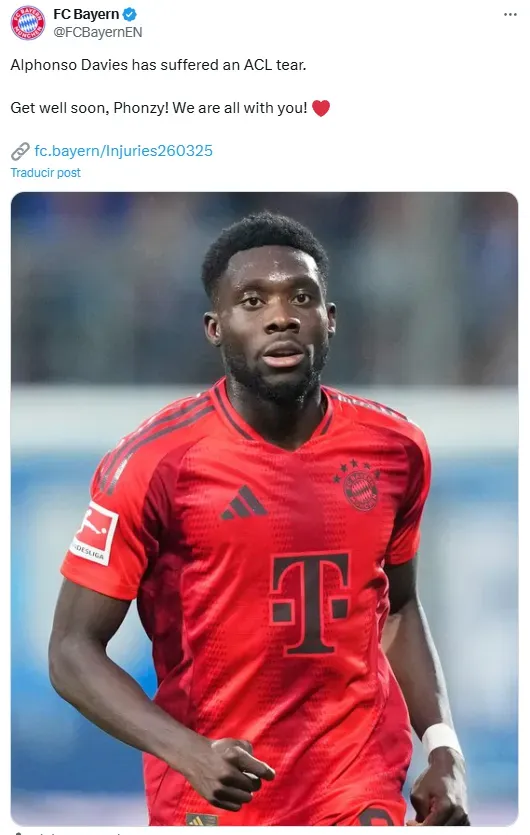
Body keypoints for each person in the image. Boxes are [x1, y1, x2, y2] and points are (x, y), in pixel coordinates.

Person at [49, 211, 469, 826]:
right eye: (252, 301)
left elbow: (398, 608)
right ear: (215, 327)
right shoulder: (155, 463)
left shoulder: (396, 448)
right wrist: (187, 753)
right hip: (213, 799)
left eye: (302, 297)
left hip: (357, 787)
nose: (281, 317)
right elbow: (71, 650)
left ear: (329, 319)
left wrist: (443, 749)